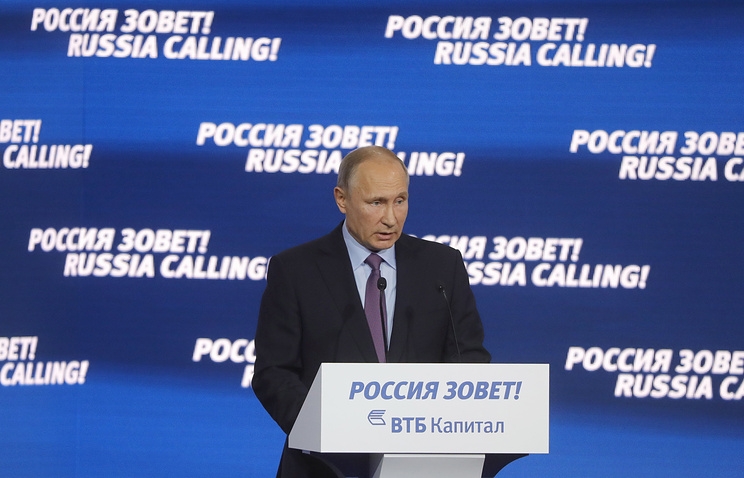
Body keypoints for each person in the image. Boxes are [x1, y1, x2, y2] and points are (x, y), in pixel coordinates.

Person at [253, 145, 491, 477]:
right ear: (342, 199)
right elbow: (274, 372)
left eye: (400, 200)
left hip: (419, 463)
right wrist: (324, 428)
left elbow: (469, 359)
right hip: (323, 465)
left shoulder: (441, 266)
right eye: (376, 203)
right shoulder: (296, 270)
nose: (391, 218)